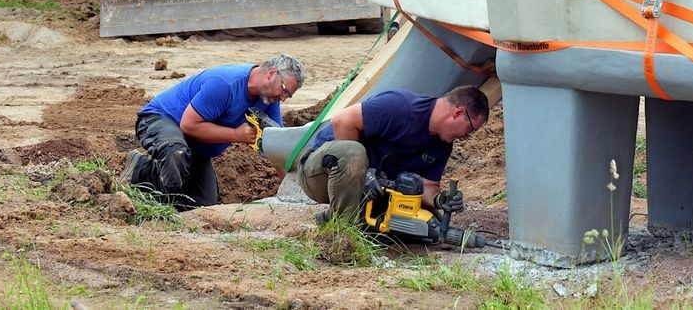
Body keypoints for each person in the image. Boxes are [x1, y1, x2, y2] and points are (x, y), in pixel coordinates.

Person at [120, 54, 305, 210]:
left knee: (203, 203)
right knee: (175, 154)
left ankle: (149, 177)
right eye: (284, 90)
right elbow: (189, 125)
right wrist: (236, 135)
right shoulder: (225, 83)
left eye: (288, 95)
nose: (283, 98)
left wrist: (295, 189)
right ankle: (143, 175)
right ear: (271, 74)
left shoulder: (268, 102)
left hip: (196, 145)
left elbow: (278, 146)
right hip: (162, 120)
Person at [297, 85, 488, 223]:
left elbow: (428, 186)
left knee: (418, 227)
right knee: (353, 151)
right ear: (458, 112)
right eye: (470, 129)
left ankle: (334, 217)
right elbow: (342, 120)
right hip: (319, 173)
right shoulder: (400, 106)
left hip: (367, 191)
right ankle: (341, 235)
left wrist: (440, 200)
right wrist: (366, 174)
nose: (467, 137)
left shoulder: (443, 145)